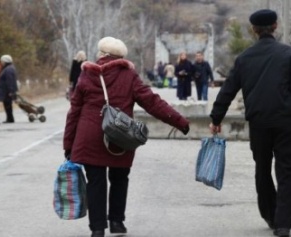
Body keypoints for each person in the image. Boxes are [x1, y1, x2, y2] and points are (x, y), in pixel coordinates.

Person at [63, 36, 190, 237]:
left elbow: (74, 112)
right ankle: (116, 222)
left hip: (88, 137)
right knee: (120, 177)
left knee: (95, 182)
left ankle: (97, 229)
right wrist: (180, 122)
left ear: (102, 54)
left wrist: (68, 143)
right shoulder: (129, 76)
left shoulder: (86, 75)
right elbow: (152, 102)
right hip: (119, 137)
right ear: (120, 56)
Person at [210, 9, 291, 237]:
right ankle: (283, 223)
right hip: (286, 121)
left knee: (262, 168)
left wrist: (216, 118)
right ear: (275, 26)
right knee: (286, 170)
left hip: (259, 122)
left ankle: (270, 214)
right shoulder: (287, 54)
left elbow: (228, 90)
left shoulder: (244, 58)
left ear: (254, 30)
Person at [0, 55, 18, 123]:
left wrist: (11, 90)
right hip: (6, 89)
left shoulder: (8, 69)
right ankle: (9, 117)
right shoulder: (9, 68)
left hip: (7, 90)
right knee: (7, 104)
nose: (1, 62)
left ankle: (10, 118)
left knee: (8, 104)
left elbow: (10, 80)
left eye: (2, 61)